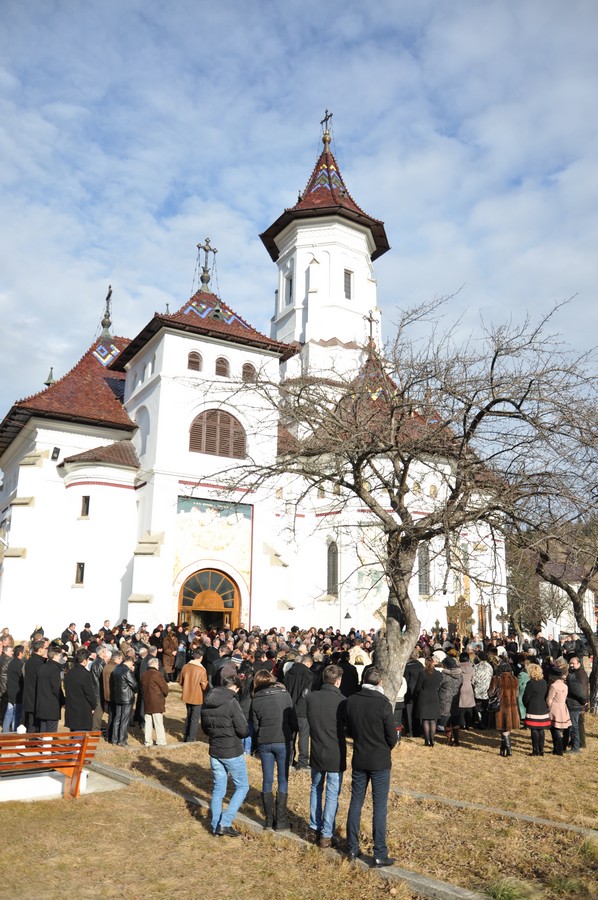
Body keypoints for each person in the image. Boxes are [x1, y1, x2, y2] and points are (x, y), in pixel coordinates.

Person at [345, 668, 398, 867]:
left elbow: (349, 729)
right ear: (380, 683)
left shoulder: (351, 701)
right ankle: (379, 852)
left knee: (356, 802)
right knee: (379, 806)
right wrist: (385, 746)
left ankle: (352, 847)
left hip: (360, 756)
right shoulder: (383, 703)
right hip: (379, 760)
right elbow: (392, 736)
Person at [201, 673, 250, 837]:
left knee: (218, 788)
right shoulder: (231, 702)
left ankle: (215, 825)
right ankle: (225, 822)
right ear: (234, 687)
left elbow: (205, 728)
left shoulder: (208, 700)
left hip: (215, 750)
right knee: (242, 786)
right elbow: (243, 730)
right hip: (231, 751)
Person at [305, 664, 346, 848]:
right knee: (331, 793)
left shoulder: (311, 698)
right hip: (335, 752)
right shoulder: (342, 701)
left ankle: (314, 827)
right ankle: (326, 833)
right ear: (337, 682)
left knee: (316, 788)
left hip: (317, 749)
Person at [250, 669, 295, 831]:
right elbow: (293, 721)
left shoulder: (256, 699)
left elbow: (255, 726)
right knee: (283, 779)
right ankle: (280, 820)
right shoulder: (284, 695)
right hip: (282, 740)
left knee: (267, 779)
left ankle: (269, 820)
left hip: (264, 741)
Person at [284, 653, 313, 770]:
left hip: (288, 706)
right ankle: (303, 762)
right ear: (308, 663)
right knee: (303, 736)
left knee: (290, 735)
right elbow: (306, 693)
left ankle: (289, 759)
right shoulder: (308, 673)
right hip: (302, 709)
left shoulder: (289, 672)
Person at [489, 659, 520, 756]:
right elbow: (517, 694)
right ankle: (503, 750)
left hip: (501, 705)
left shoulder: (496, 679)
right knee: (506, 727)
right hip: (512, 705)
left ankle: (509, 749)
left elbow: (491, 693)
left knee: (503, 727)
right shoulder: (515, 679)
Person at [179, 649, 209, 742]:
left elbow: (180, 682)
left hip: (187, 694)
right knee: (195, 718)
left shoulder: (185, 666)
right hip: (197, 697)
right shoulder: (202, 670)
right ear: (201, 657)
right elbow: (204, 686)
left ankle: (186, 735)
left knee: (189, 715)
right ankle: (191, 738)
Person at [64, 647, 97, 731]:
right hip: (83, 710)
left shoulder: (69, 673)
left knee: (74, 733)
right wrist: (93, 705)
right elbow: (90, 693)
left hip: (71, 708)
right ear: (85, 661)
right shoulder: (85, 675)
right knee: (80, 735)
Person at [521, 663, 550, 755]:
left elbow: (526, 697)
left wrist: (526, 704)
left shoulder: (531, 683)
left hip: (533, 708)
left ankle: (535, 750)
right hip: (542, 708)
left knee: (534, 730)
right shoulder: (544, 682)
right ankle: (541, 750)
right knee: (541, 730)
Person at [35, 646, 66, 732]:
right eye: (59, 655)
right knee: (50, 732)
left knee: (43, 730)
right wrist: (63, 700)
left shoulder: (43, 667)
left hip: (42, 704)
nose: (60, 657)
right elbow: (56, 688)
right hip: (52, 705)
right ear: (55, 656)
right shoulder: (54, 669)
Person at [414, 656, 443, 746]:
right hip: (434, 696)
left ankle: (427, 740)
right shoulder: (438, 674)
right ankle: (432, 740)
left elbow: (418, 687)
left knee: (425, 719)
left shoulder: (422, 673)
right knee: (433, 720)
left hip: (424, 696)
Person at [141, 657, 169, 747]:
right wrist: (164, 695)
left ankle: (147, 741)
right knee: (158, 722)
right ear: (154, 664)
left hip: (147, 701)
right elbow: (165, 688)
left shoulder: (144, 674)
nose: (158, 666)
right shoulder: (157, 674)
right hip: (156, 701)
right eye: (157, 665)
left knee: (148, 722)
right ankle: (161, 741)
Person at [111, 655, 137, 747]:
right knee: (125, 719)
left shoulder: (116, 668)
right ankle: (122, 740)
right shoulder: (127, 671)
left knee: (117, 718)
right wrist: (132, 672)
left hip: (118, 696)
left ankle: (114, 739)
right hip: (126, 698)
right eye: (132, 664)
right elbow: (134, 685)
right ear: (130, 662)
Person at [22, 639, 47, 732]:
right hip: (35, 696)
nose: (45, 650)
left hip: (29, 695)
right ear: (40, 649)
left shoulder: (29, 661)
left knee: (31, 721)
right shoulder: (39, 663)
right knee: (34, 724)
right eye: (44, 648)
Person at [438, 655, 463, 746]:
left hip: (445, 700)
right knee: (455, 720)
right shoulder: (460, 675)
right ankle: (457, 740)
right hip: (456, 699)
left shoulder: (443, 675)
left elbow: (439, 685)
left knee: (447, 722)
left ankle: (449, 740)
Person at [546, 665, 570, 756]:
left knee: (555, 729)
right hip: (563, 707)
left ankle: (558, 749)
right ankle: (559, 749)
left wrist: (549, 707)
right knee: (559, 729)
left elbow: (549, 699)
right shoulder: (565, 686)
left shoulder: (553, 686)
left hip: (555, 708)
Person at [2, 645, 24, 732]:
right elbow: (21, 678)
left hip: (10, 691)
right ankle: (14, 731)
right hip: (17, 692)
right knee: (16, 714)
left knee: (9, 713)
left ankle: (5, 731)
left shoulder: (11, 662)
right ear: (20, 653)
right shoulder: (19, 664)